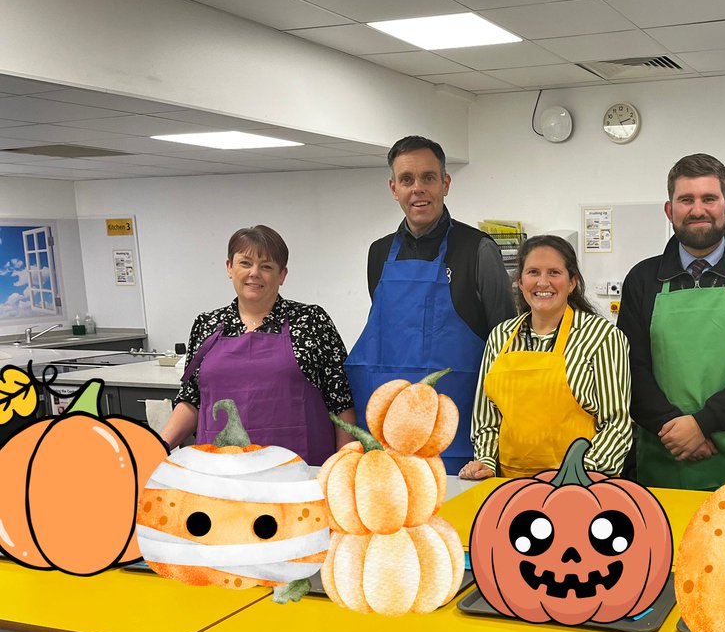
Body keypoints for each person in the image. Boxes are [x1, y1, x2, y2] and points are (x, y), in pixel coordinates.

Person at [617, 153, 725, 491]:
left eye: (709, 199)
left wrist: (701, 425)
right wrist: (675, 429)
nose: (698, 210)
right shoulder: (642, 279)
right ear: (669, 210)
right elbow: (629, 369)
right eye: (686, 200)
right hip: (665, 452)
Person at [345, 136, 515, 471]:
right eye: (407, 179)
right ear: (394, 188)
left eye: (428, 177)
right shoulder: (379, 253)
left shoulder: (477, 249)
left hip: (460, 436)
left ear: (445, 184)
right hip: (390, 435)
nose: (418, 189)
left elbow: (507, 343)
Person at [161, 225, 354, 464]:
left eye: (266, 266)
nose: (254, 273)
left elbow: (342, 403)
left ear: (282, 275)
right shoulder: (206, 324)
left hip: (299, 473)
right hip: (221, 470)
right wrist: (157, 446)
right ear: (229, 267)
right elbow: (191, 401)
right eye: (245, 263)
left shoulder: (311, 321)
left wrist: (344, 466)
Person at [459, 235, 631, 479]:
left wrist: (578, 472)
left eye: (554, 273)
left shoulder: (602, 336)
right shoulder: (501, 337)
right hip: (510, 483)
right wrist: (486, 461)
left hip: (580, 483)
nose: (542, 282)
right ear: (520, 282)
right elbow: (487, 419)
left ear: (572, 282)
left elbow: (616, 424)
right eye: (533, 272)